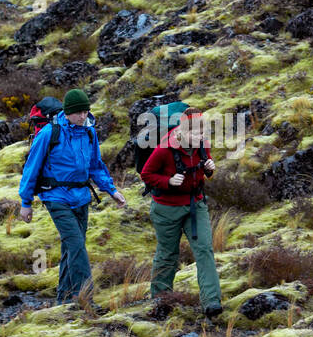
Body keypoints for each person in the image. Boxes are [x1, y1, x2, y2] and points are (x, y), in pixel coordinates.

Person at [19, 88, 126, 305]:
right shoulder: (50, 133)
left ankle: (64, 299)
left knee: (70, 247)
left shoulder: (89, 132)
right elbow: (31, 167)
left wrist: (112, 190)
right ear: (68, 112)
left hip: (81, 197)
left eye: (86, 111)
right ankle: (86, 298)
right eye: (79, 113)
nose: (83, 116)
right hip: (55, 197)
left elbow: (96, 165)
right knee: (77, 245)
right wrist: (26, 202)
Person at [140, 107, 222, 318]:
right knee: (168, 255)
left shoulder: (203, 145)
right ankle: (160, 302)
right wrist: (167, 181)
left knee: (205, 250)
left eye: (202, 133)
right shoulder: (164, 149)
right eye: (195, 133)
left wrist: (210, 169)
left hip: (196, 205)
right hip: (166, 209)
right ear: (183, 132)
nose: (200, 137)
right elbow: (146, 174)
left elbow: (206, 171)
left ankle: (212, 303)